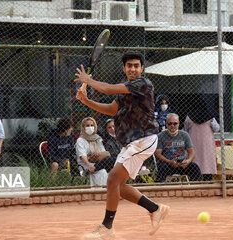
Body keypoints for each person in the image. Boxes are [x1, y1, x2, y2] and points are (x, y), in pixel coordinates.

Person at [75, 51, 169, 239]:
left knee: (111, 180)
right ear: (124, 68)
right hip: (131, 143)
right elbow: (111, 108)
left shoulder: (144, 84)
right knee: (118, 185)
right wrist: (86, 100)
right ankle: (156, 209)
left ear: (142, 68)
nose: (133, 69)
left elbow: (108, 89)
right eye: (129, 66)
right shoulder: (125, 91)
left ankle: (107, 228)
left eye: (136, 65)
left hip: (144, 139)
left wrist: (88, 80)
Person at [155, 113, 201, 182]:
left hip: (182, 164)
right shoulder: (160, 136)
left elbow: (191, 152)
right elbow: (157, 154)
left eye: (175, 123)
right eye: (170, 124)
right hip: (167, 164)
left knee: (194, 167)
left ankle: (196, 189)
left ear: (179, 124)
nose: (172, 126)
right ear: (166, 124)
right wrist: (169, 161)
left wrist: (188, 161)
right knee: (162, 167)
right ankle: (160, 189)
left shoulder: (185, 135)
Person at [184, 96, 220, 181]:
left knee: (195, 160)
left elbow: (185, 130)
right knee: (207, 161)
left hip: (193, 143)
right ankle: (208, 180)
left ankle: (195, 180)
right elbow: (217, 128)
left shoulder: (189, 117)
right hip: (207, 145)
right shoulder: (210, 117)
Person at [75, 117, 110, 186]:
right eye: (87, 126)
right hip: (85, 164)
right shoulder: (80, 140)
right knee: (102, 172)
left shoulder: (98, 138)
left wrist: (99, 152)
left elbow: (103, 151)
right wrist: (89, 165)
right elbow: (82, 156)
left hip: (98, 162)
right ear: (83, 127)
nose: (90, 127)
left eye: (92, 125)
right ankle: (100, 192)